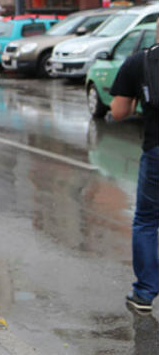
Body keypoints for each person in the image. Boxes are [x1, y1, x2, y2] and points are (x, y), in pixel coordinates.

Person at [110, 20, 159, 315]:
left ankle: (144, 294)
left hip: (156, 150)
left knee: (146, 220)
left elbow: (118, 112)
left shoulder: (140, 61)